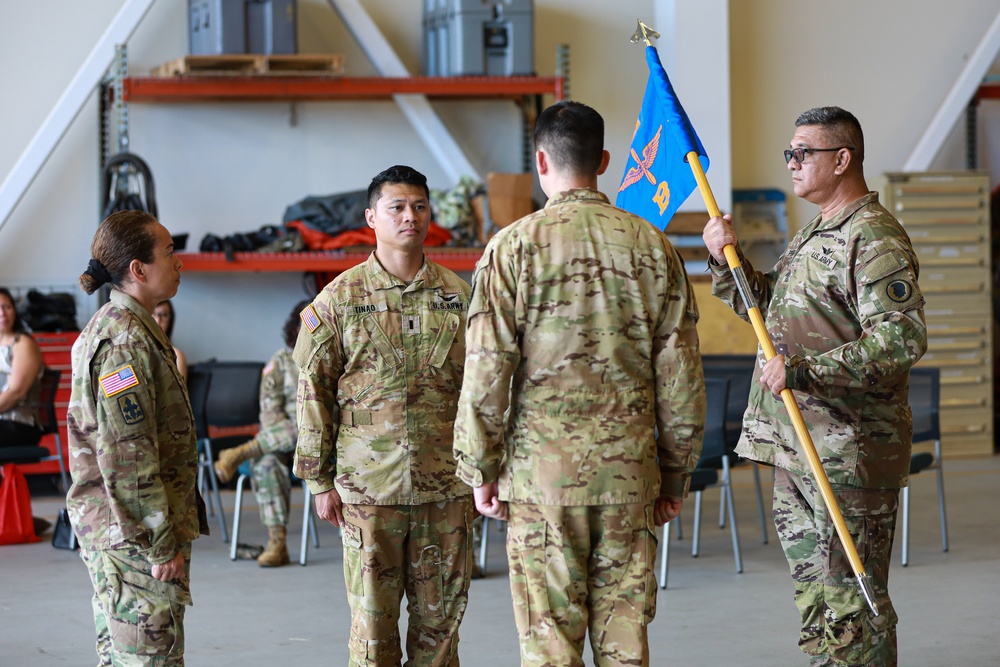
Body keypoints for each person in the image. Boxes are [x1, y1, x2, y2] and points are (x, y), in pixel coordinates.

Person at [453, 100, 706, 666]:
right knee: (624, 646)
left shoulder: (510, 248)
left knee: (549, 647)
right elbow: (682, 373)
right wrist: (676, 471)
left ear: (541, 160)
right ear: (606, 160)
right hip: (630, 475)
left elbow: (487, 367)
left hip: (542, 481)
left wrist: (479, 469)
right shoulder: (652, 246)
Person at [702, 106, 927, 667]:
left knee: (853, 603)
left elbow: (902, 339)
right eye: (791, 154)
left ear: (842, 158)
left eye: (804, 153)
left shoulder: (872, 236)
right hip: (798, 445)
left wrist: (805, 371)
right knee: (817, 603)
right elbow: (770, 310)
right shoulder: (817, 230)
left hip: (848, 453)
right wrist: (723, 258)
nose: (793, 163)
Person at [293, 165, 474, 665]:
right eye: (396, 207)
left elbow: (483, 391)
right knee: (374, 634)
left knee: (441, 632)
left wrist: (486, 472)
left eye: (418, 206)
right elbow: (313, 390)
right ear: (371, 217)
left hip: (447, 490)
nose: (409, 216)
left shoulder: (459, 297)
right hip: (370, 492)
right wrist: (318, 480)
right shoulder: (339, 300)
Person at [67, 209, 208, 666]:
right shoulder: (124, 343)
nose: (178, 262)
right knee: (151, 659)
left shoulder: (134, 330)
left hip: (123, 533)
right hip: (133, 538)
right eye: (169, 253)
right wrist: (159, 541)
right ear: (138, 269)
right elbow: (128, 456)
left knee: (122, 657)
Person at [213, 298, 311, 567]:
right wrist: (290, 432)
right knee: (265, 463)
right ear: (294, 329)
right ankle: (277, 542)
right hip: (282, 444)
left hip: (323, 444)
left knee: (312, 425)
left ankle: (241, 451)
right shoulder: (279, 362)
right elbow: (269, 413)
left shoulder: (337, 360)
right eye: (305, 325)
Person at [0, 287, 45, 447]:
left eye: (7, 307)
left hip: (21, 424)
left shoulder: (23, 344)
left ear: (14, 310)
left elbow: (16, 393)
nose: (2, 314)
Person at [152, 299, 188, 380]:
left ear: (170, 319)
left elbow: (179, 392)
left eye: (164, 315)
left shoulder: (177, 356)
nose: (158, 320)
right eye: (153, 314)